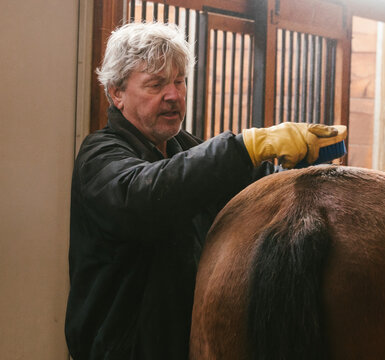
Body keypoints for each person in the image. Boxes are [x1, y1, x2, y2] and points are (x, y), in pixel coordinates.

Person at [64, 21, 346, 360]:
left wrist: (290, 170)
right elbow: (142, 198)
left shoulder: (185, 148)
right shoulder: (99, 154)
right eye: (156, 84)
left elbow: (246, 197)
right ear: (116, 92)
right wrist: (246, 147)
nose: (174, 95)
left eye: (179, 81)